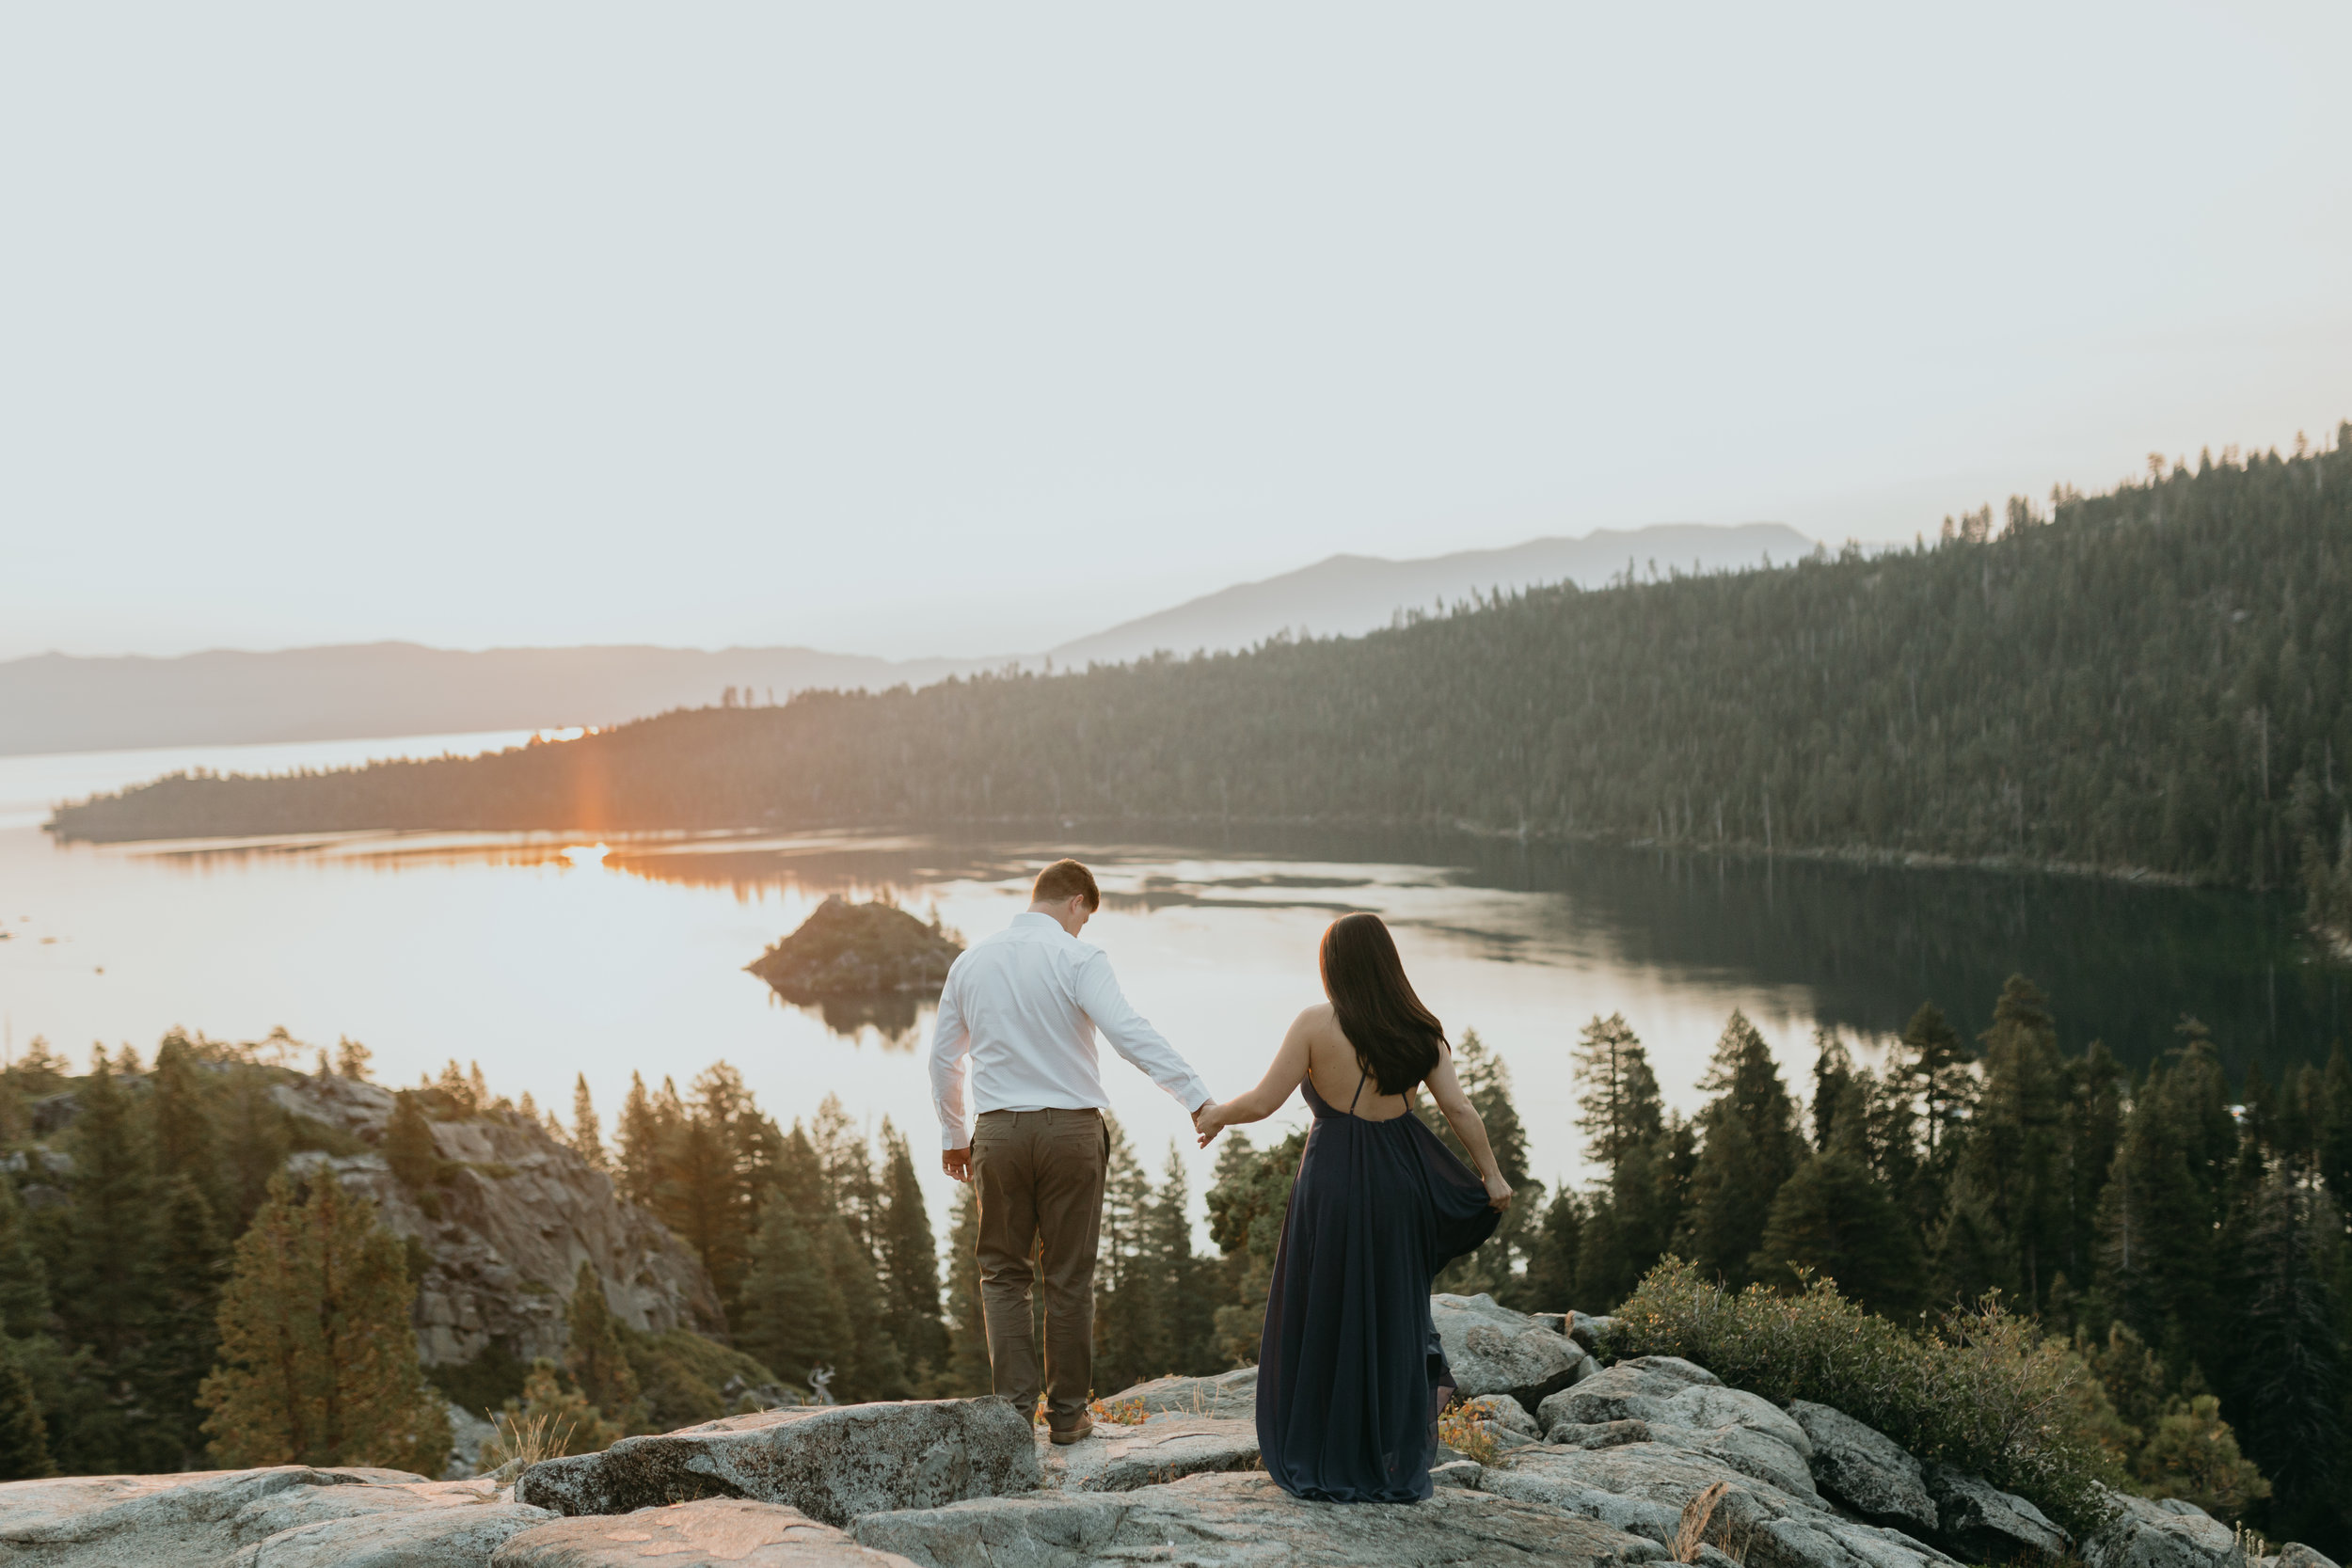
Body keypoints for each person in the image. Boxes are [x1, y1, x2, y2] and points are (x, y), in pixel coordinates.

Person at [1193, 911, 1512, 1502]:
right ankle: (1384, 1455)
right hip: (1397, 1184)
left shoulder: (1316, 1024)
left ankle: (1322, 1447)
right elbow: (1460, 1111)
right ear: (1387, 961)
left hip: (1331, 1181)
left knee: (1327, 1310)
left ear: (1333, 966)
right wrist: (1491, 1177)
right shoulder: (1420, 1028)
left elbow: (1264, 1102)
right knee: (1392, 1313)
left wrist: (1213, 1116)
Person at [929, 857, 1216, 1445]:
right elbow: (1127, 1029)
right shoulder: (1078, 956)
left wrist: (953, 1135)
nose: (1081, 927)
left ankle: (1011, 1423)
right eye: (1084, 918)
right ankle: (1065, 1418)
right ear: (1077, 902)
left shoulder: (971, 961)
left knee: (1003, 1274)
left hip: (1000, 1134)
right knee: (1069, 1277)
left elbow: (943, 1059)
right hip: (1070, 1135)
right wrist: (1195, 1096)